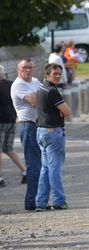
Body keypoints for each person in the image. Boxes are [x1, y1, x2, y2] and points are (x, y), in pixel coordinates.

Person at [36, 63, 71, 211]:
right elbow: (67, 111)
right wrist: (61, 111)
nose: (57, 76)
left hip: (41, 132)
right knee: (54, 169)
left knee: (45, 168)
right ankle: (59, 201)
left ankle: (40, 203)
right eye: (54, 74)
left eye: (59, 73)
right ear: (47, 75)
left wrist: (60, 111)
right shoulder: (51, 91)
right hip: (53, 133)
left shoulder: (40, 88)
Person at [10, 58, 42, 210]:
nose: (27, 70)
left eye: (30, 67)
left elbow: (48, 96)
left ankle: (40, 200)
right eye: (24, 68)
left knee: (42, 165)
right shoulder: (18, 85)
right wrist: (42, 95)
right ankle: (31, 202)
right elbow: (35, 101)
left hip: (39, 125)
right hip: (28, 126)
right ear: (18, 70)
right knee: (33, 165)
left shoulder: (35, 81)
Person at [0, 65, 26, 187]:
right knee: (8, 149)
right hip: (11, 120)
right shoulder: (12, 84)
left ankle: (0, 178)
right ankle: (25, 171)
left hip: (0, 121)